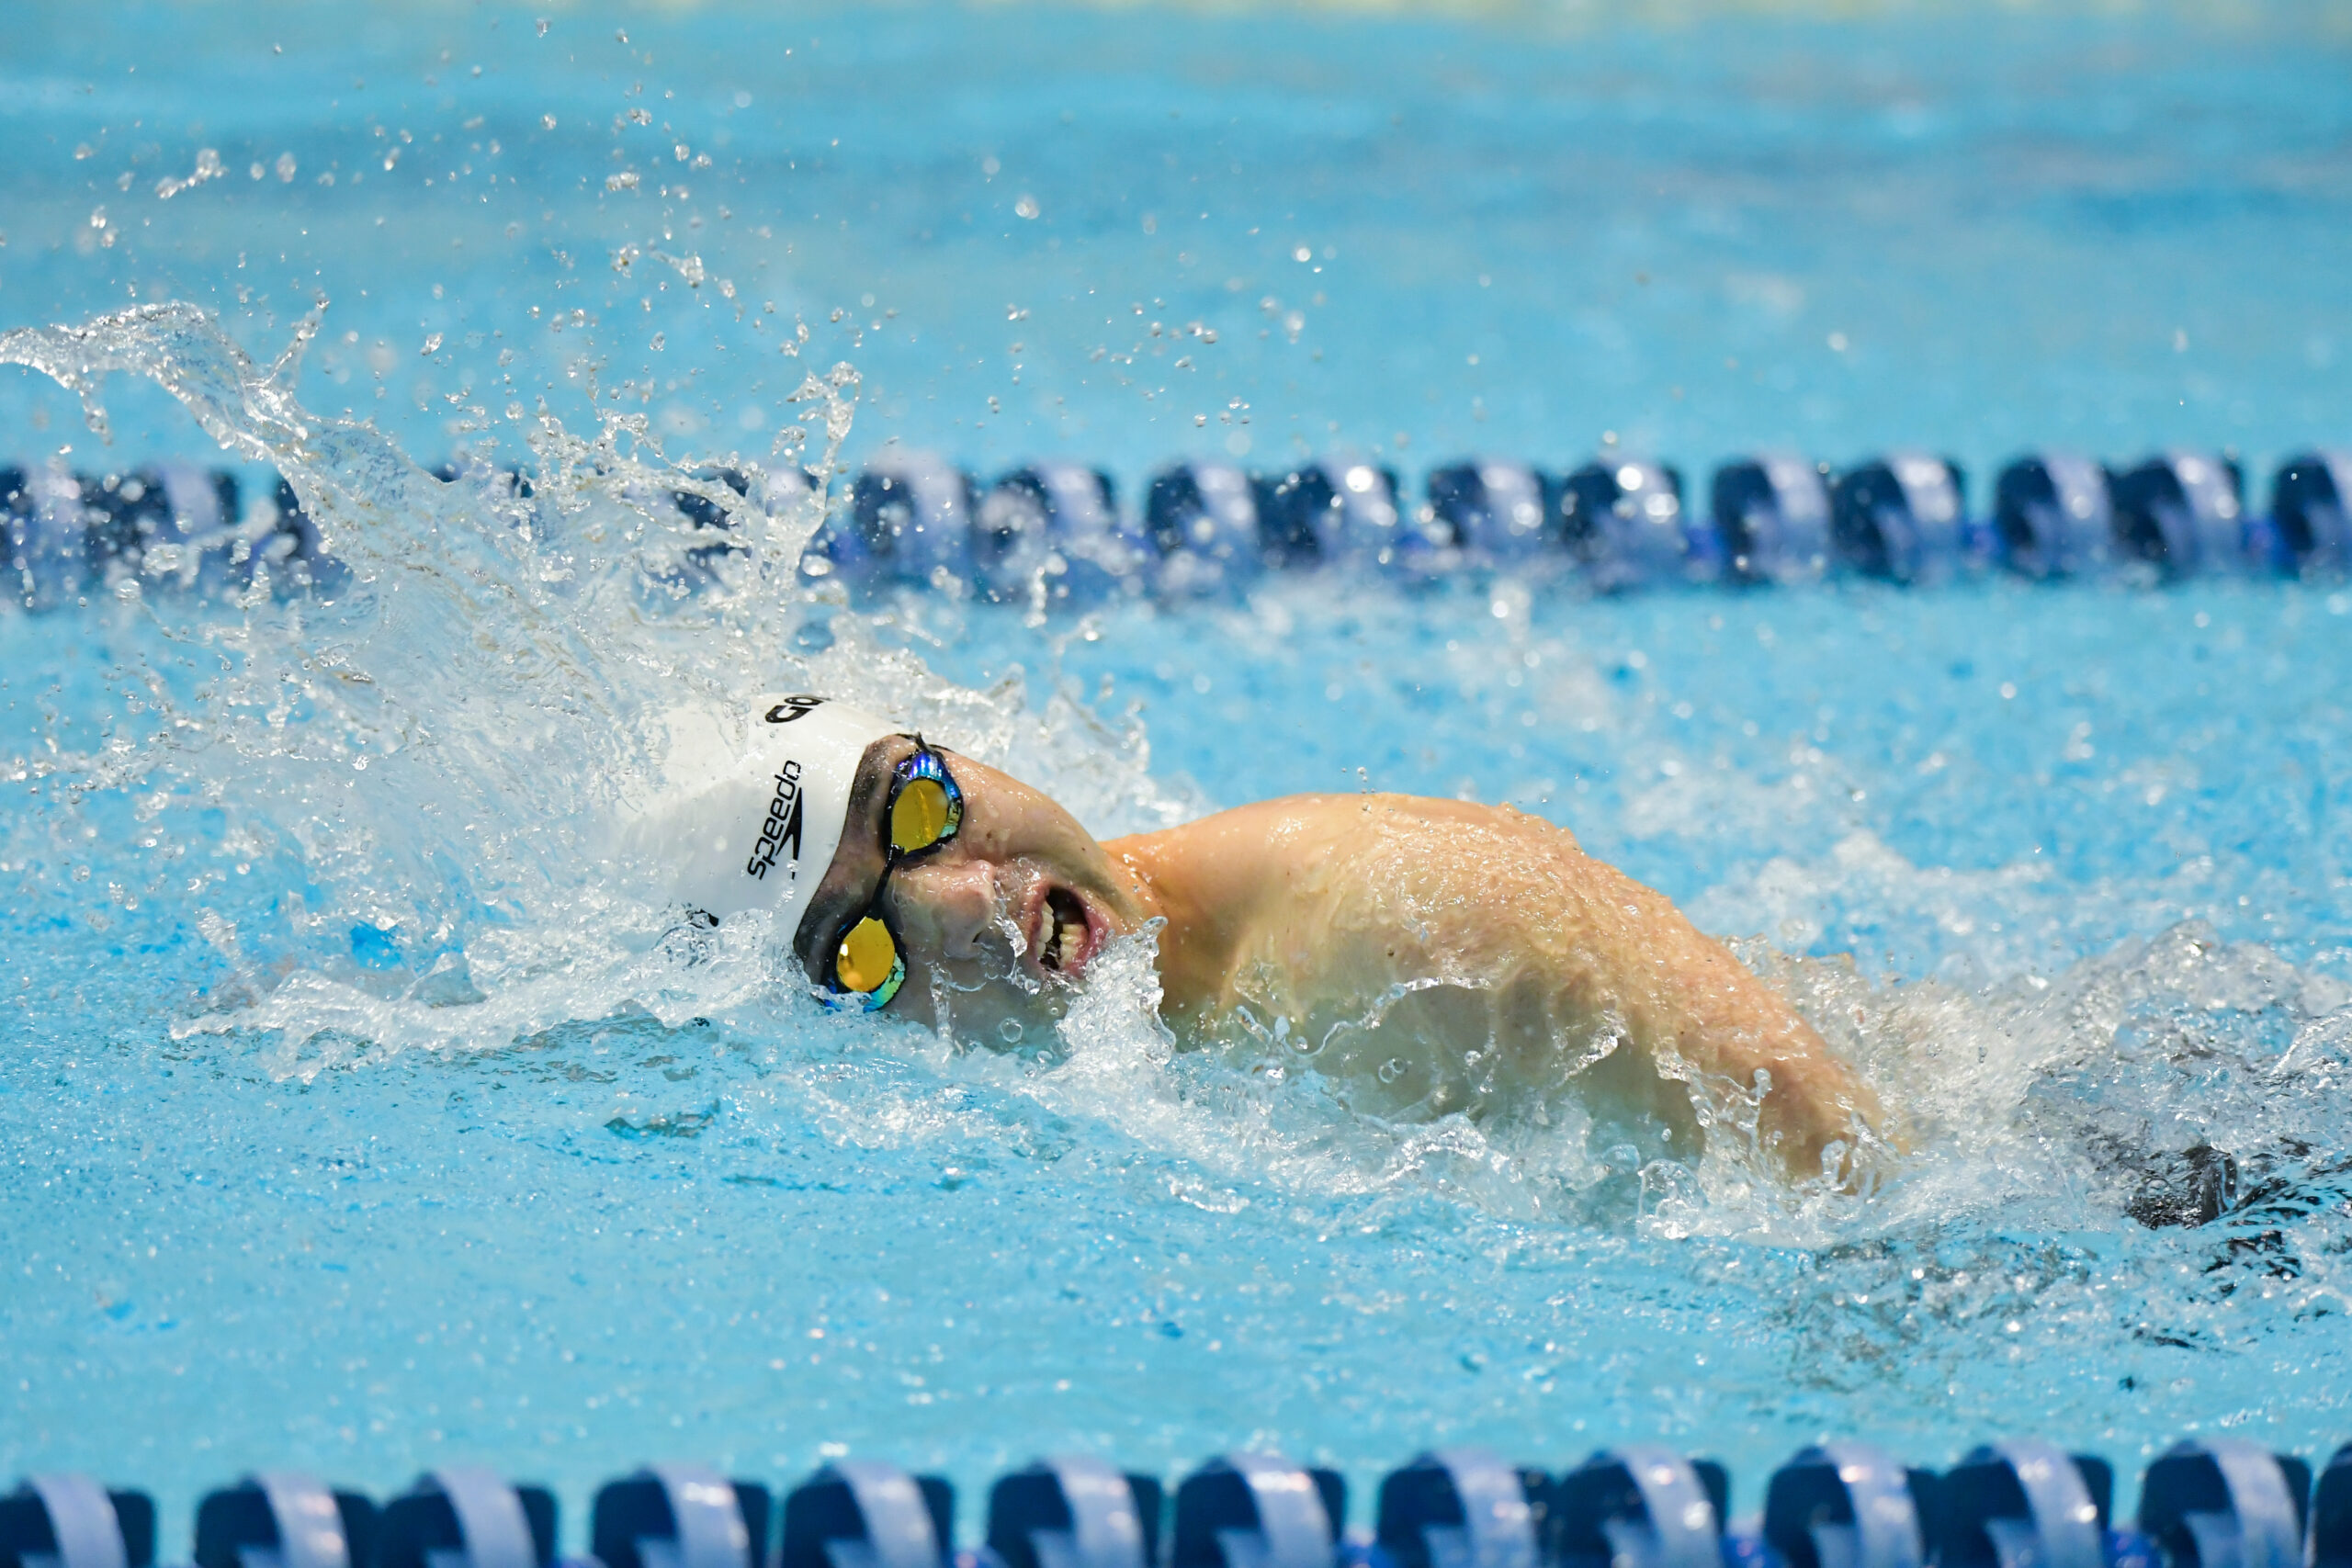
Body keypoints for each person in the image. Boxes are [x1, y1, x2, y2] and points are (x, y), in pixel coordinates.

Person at [629, 694, 1886, 1184]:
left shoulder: (1399, 928)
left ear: (969, 749)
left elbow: (1849, 1151)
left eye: (921, 810)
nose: (964, 916)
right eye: (863, 954)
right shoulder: (1146, 1053)